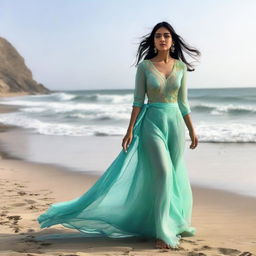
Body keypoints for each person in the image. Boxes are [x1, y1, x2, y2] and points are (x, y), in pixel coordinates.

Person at [37, 21, 200, 250]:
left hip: (175, 125)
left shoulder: (181, 68)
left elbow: (183, 103)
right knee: (163, 173)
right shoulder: (144, 67)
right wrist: (130, 129)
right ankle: (163, 232)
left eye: (166, 35)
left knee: (173, 176)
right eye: (158, 36)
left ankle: (170, 222)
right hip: (151, 123)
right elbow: (137, 102)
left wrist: (192, 129)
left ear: (173, 41)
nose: (162, 39)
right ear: (153, 41)